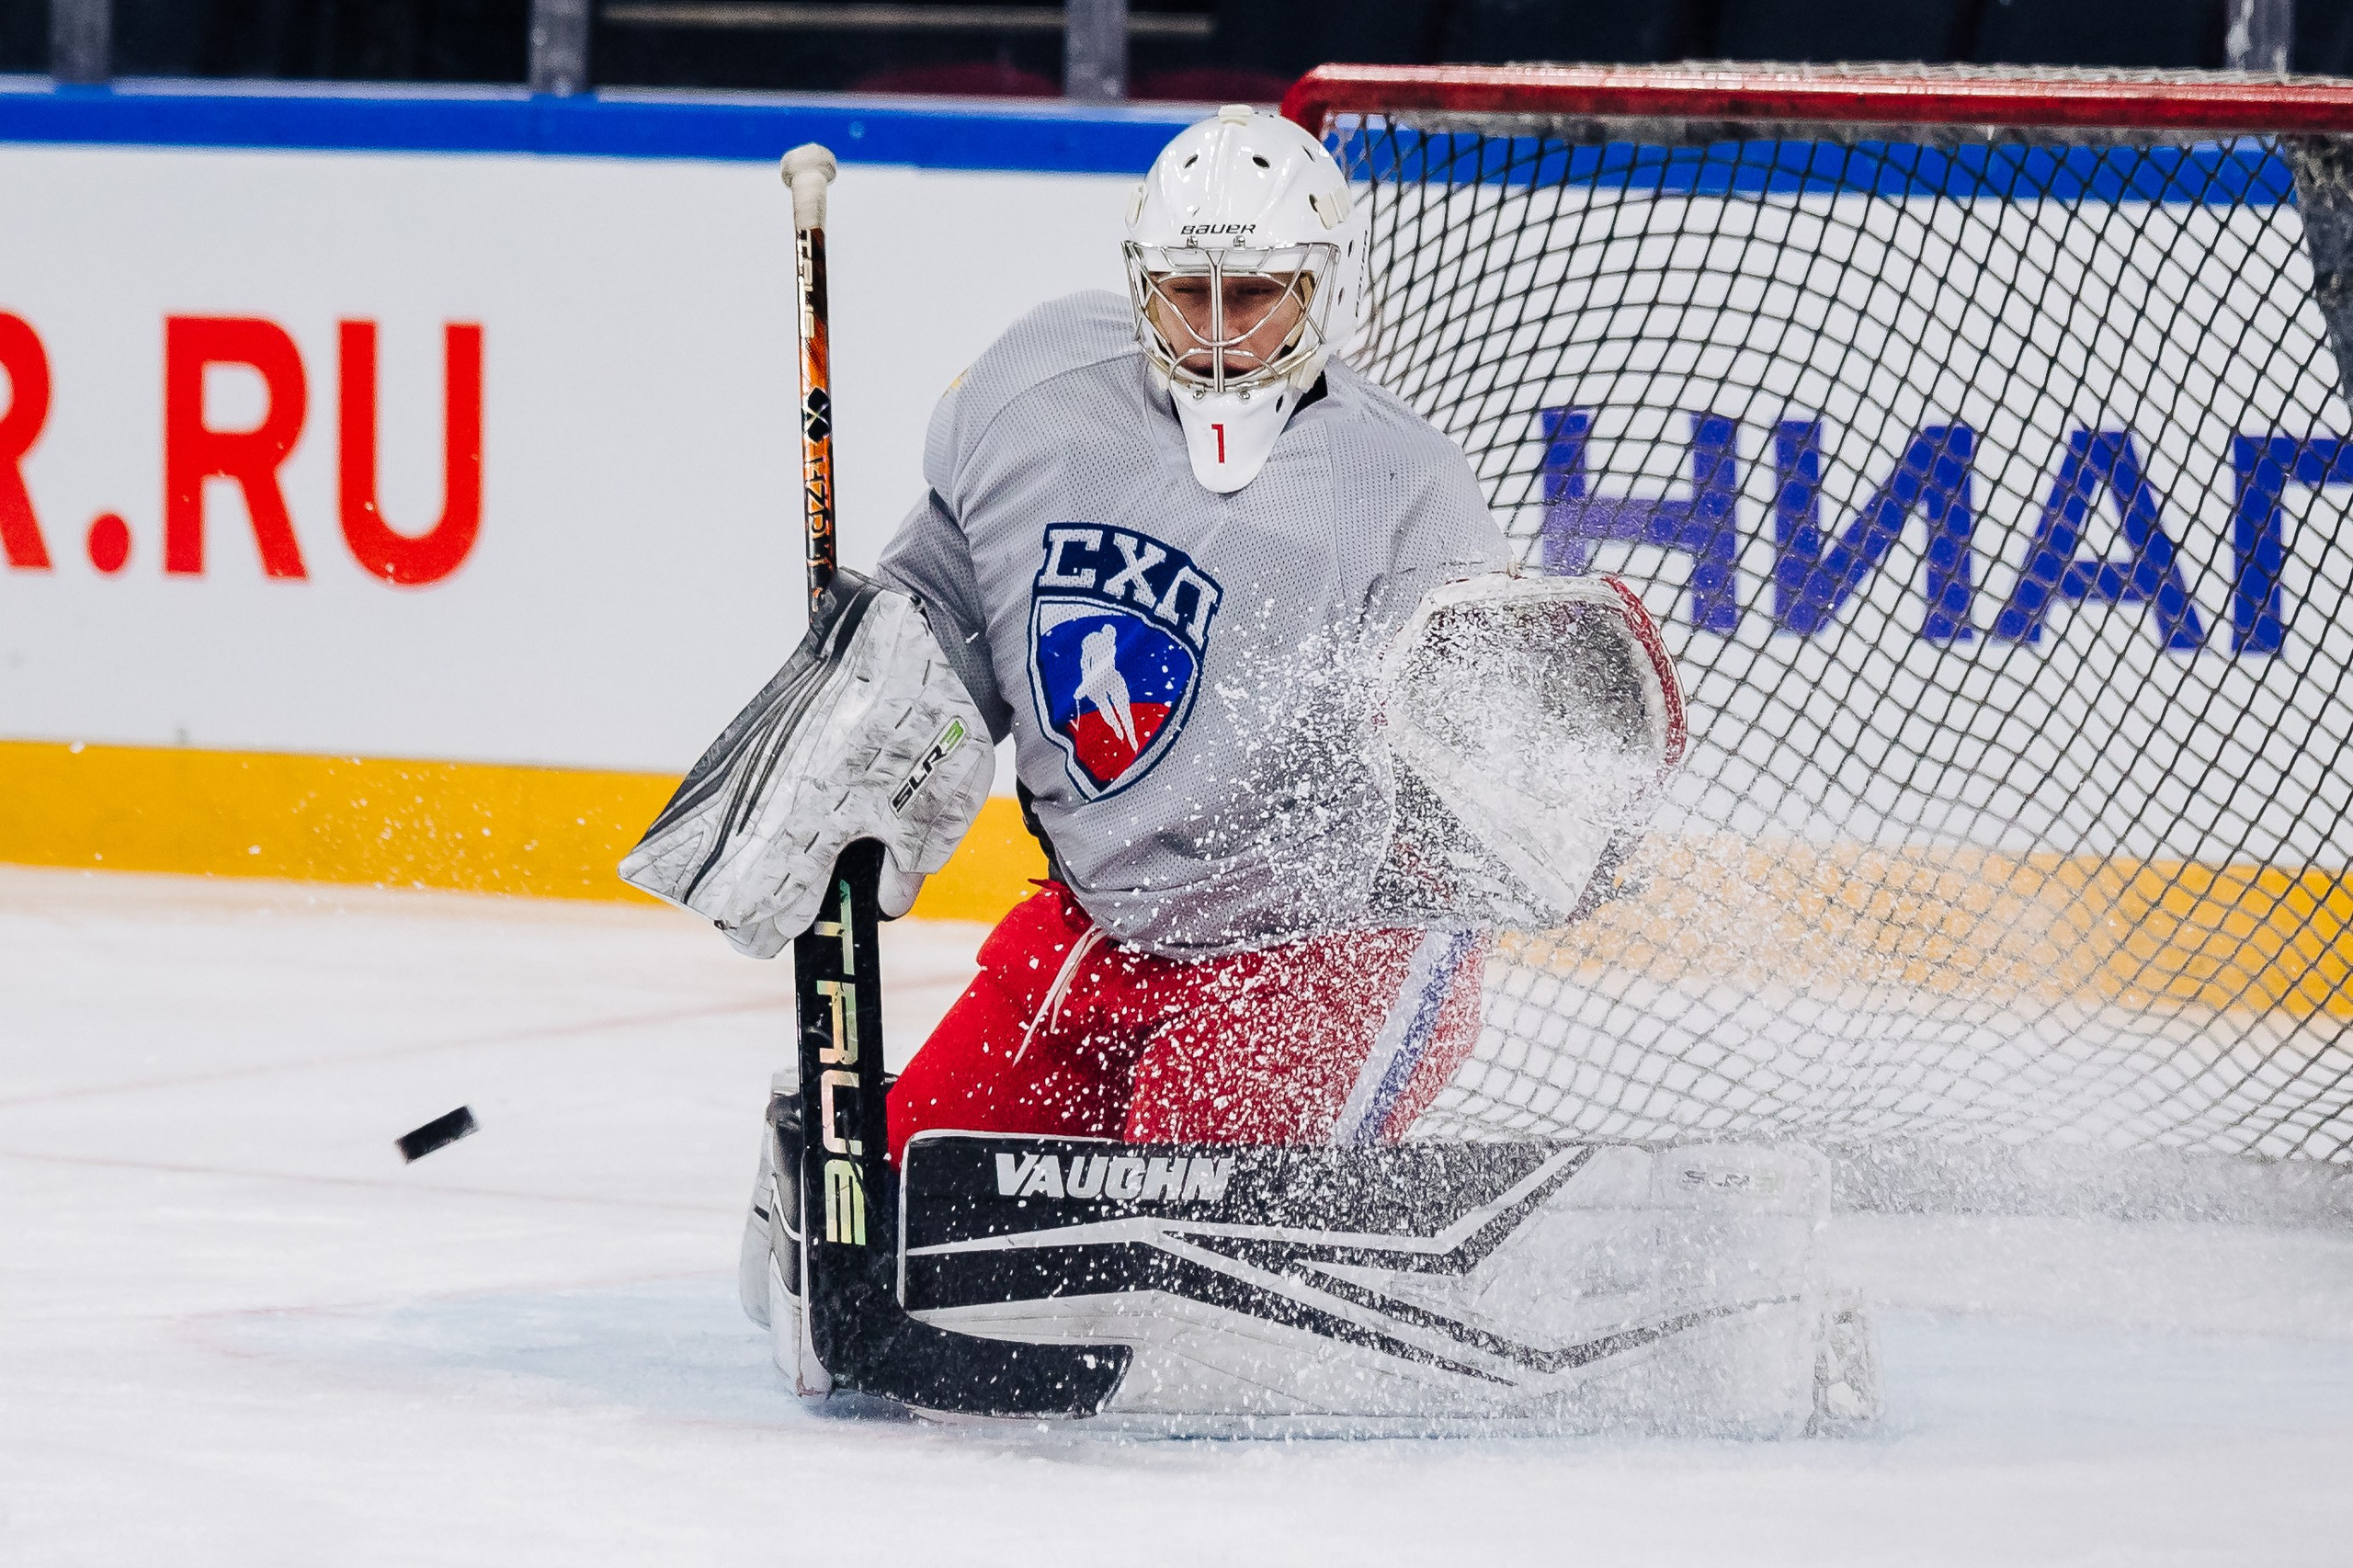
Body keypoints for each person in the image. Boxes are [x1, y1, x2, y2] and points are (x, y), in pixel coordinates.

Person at [872, 105, 1513, 1163]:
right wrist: (860, 721)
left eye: (1252, 295)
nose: (1215, 330)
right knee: (910, 1188)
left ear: (1322, 288)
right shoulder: (1035, 397)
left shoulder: (1407, 487)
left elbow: (1475, 765)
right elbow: (934, 617)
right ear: (1140, 281)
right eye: (1187, 294)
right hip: (1107, 930)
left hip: (1318, 962)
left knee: (1177, 1239)